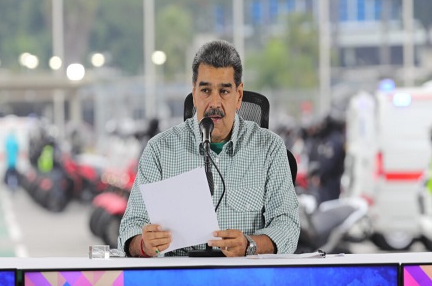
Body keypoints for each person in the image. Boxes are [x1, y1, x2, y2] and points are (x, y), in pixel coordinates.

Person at [117, 40, 300, 257]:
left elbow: (287, 224)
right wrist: (143, 244)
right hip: (179, 276)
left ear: (239, 96)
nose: (214, 103)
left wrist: (250, 245)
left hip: (244, 275)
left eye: (224, 91)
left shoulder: (269, 148)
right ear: (194, 93)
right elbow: (130, 226)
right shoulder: (159, 150)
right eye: (205, 90)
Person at [306, 113, 346, 203]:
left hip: (330, 180)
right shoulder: (328, 139)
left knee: (328, 205)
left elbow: (329, 161)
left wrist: (321, 177)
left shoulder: (333, 140)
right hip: (327, 180)